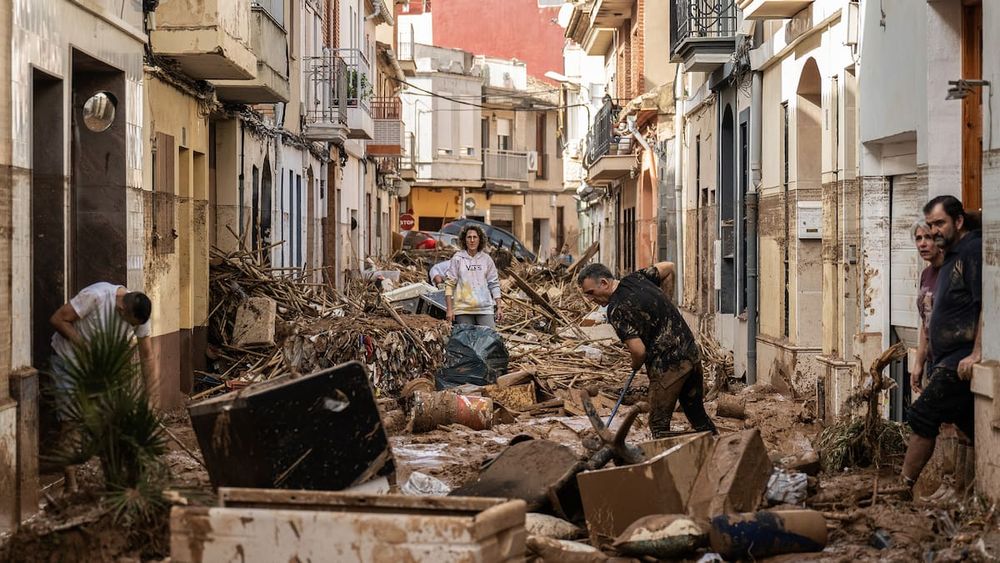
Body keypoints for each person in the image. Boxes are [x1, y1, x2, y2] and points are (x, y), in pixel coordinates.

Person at [577, 262, 716, 438]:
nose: (590, 299)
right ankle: (720, 447)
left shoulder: (616, 309)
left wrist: (635, 364)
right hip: (691, 354)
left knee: (658, 425)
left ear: (604, 283)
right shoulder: (637, 278)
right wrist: (665, 302)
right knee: (697, 414)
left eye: (590, 293)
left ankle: (668, 456)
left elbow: (639, 351)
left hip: (668, 367)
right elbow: (668, 267)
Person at [901, 195, 982, 490]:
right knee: (969, 427)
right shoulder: (950, 257)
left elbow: (987, 304)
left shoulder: (972, 250)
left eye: (939, 224)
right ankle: (963, 492)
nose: (933, 233)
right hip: (943, 359)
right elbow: (929, 320)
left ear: (958, 221)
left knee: (923, 415)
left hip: (959, 359)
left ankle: (903, 486)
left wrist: (977, 353)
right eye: (929, 226)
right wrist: (921, 360)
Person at [50, 282, 156, 403]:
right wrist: (86, 348)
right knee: (70, 413)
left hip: (97, 370)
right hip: (68, 360)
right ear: (121, 310)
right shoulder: (96, 296)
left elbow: (147, 355)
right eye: (132, 323)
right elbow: (58, 319)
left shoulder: (140, 315)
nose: (133, 327)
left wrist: (151, 399)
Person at [445, 224, 503, 328]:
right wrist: (449, 309)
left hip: (484, 308)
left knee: (489, 336)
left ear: (480, 240)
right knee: (465, 337)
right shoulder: (458, 258)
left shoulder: (486, 259)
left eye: (475, 237)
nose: (472, 240)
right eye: (469, 237)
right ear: (464, 240)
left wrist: (499, 307)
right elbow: (449, 284)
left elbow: (494, 283)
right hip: (463, 309)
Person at [910, 220, 945, 394]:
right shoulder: (926, 274)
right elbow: (926, 323)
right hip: (932, 361)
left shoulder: (954, 270)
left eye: (928, 237)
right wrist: (918, 363)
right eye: (918, 238)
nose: (922, 243)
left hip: (951, 361)